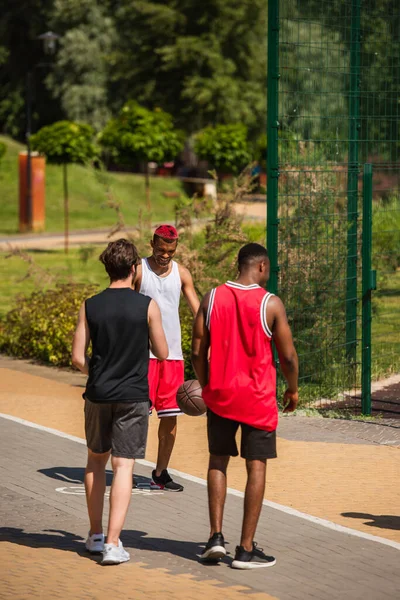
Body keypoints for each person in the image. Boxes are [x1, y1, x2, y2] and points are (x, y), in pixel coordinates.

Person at [192, 243, 299, 569]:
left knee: (218, 461)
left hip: (221, 396)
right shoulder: (270, 304)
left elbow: (197, 350)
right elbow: (289, 357)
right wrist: (293, 389)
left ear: (239, 265)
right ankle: (246, 549)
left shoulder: (211, 298)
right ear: (262, 267)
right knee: (257, 467)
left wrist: (207, 383)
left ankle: (215, 538)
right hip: (257, 399)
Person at [72, 239, 168, 565]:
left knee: (95, 461)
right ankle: (114, 544)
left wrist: (95, 371)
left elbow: (76, 357)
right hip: (133, 395)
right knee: (123, 465)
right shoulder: (147, 305)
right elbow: (163, 352)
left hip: (98, 393)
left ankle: (96, 535)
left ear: (107, 268)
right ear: (133, 269)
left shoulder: (90, 305)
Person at [134, 224, 200, 492]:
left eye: (170, 251)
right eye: (161, 250)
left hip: (172, 357)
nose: (165, 255)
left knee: (170, 418)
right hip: (141, 355)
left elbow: (197, 311)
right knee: (136, 416)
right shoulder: (138, 270)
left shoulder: (181, 274)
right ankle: (124, 465)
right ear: (152, 243)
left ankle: (160, 473)